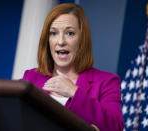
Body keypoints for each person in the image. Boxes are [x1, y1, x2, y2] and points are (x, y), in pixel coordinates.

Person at [22, 3, 124, 131]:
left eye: (70, 33)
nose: (61, 41)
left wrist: (74, 92)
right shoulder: (31, 77)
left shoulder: (107, 82)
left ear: (82, 39)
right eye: (53, 33)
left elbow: (115, 127)